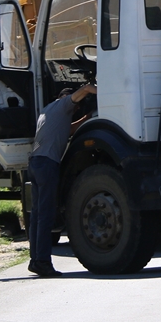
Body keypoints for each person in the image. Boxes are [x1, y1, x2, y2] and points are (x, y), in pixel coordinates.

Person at [27, 82, 97, 277]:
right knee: (46, 216)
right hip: (47, 165)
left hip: (34, 163)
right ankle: (43, 262)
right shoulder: (64, 104)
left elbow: (69, 130)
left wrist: (87, 118)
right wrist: (105, 92)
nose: (74, 110)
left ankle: (35, 259)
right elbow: (85, 89)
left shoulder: (48, 111)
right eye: (75, 108)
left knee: (37, 215)